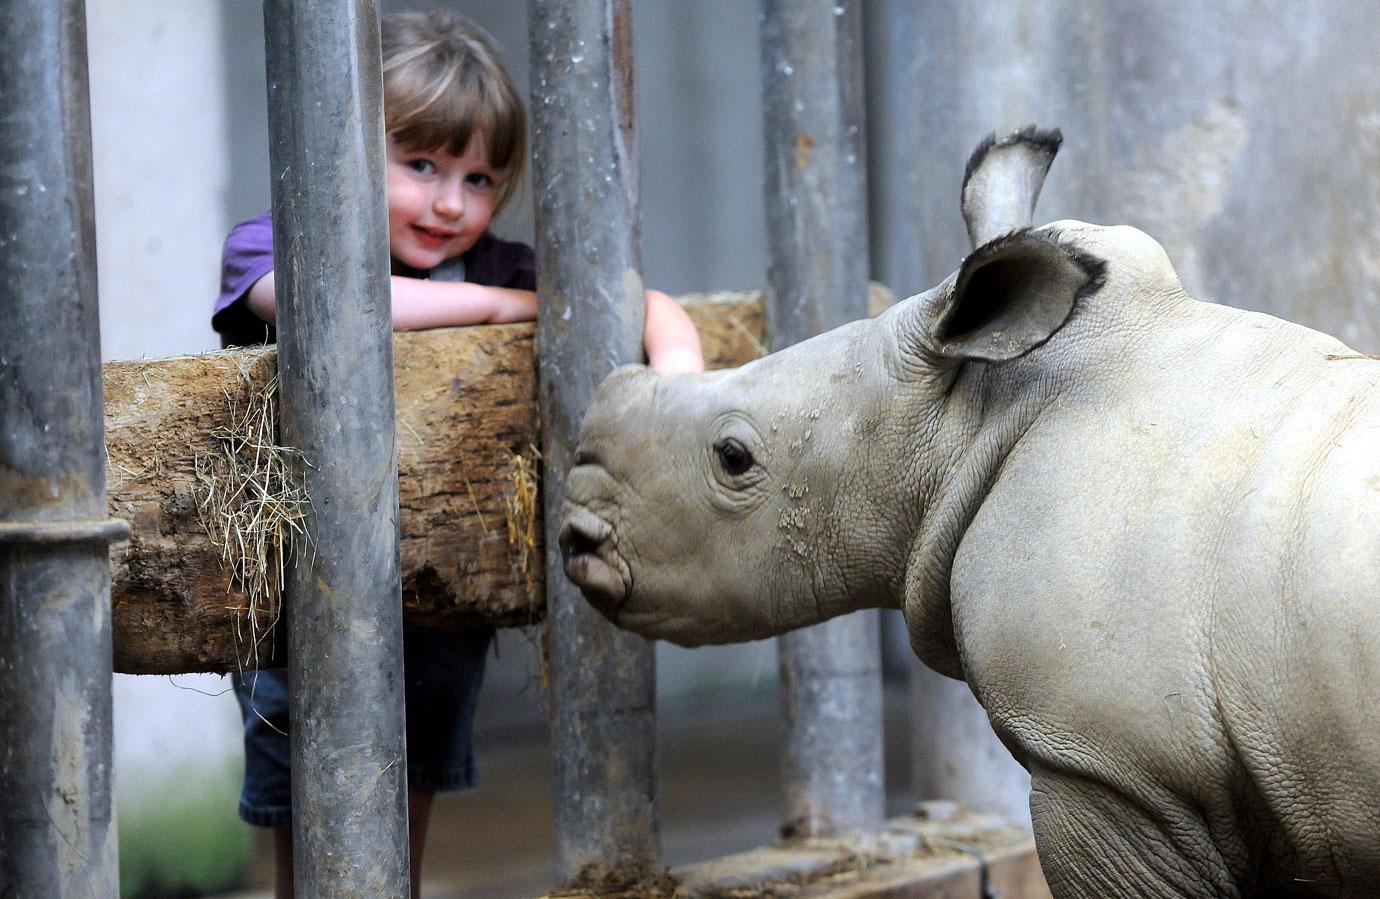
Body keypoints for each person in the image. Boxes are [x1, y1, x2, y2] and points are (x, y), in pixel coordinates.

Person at [212, 12, 703, 898]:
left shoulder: (501, 264)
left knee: (416, 782)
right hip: (304, 590)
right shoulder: (272, 236)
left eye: (480, 178)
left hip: (440, 594)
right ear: (342, 147)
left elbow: (642, 302)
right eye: (423, 166)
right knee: (304, 794)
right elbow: (312, 299)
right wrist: (496, 307)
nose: (451, 204)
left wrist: (679, 386)